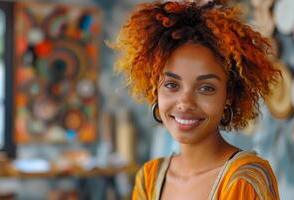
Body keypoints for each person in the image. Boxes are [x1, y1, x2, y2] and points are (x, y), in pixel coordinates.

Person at [110, 0, 280, 199]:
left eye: (206, 88)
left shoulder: (244, 179)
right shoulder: (150, 178)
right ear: (154, 89)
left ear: (229, 95)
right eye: (172, 85)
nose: (185, 103)